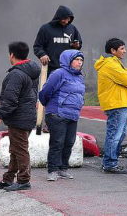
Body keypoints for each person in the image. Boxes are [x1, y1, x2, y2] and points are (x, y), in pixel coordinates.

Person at [0, 42, 40, 191]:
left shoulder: (16, 74)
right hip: (27, 116)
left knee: (20, 150)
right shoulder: (31, 71)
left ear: (11, 55)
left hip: (19, 118)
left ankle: (24, 180)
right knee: (16, 150)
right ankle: (8, 179)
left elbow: (11, 99)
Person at [39, 50, 85, 181]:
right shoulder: (59, 74)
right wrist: (49, 107)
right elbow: (45, 92)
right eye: (77, 60)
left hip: (73, 115)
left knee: (68, 143)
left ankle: (63, 169)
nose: (80, 62)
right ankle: (53, 170)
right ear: (68, 60)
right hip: (57, 114)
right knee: (57, 142)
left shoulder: (79, 77)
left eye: (81, 60)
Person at [94, 38, 127, 174]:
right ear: (113, 51)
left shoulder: (115, 63)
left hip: (120, 102)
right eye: (122, 48)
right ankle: (110, 163)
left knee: (119, 133)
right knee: (115, 134)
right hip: (116, 103)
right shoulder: (110, 64)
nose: (125, 51)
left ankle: (110, 162)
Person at [34, 5, 83, 76]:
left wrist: (77, 45)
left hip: (69, 69)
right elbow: (37, 46)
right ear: (58, 17)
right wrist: (42, 54)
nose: (66, 21)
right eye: (64, 19)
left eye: (68, 19)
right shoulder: (45, 29)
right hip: (51, 69)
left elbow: (79, 43)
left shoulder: (72, 28)